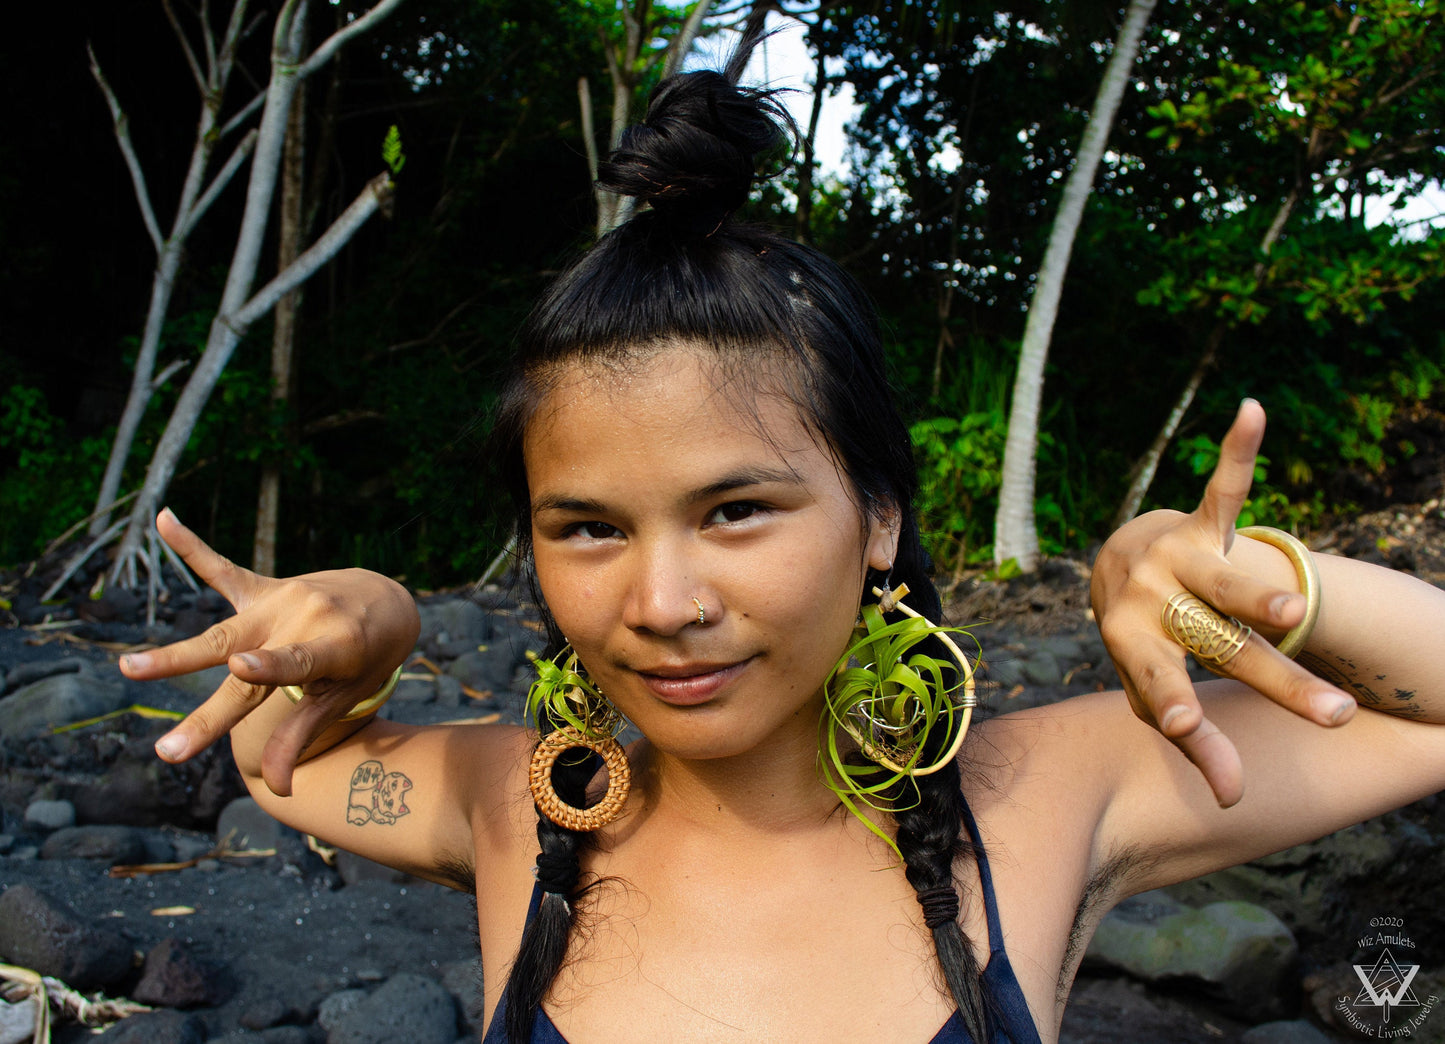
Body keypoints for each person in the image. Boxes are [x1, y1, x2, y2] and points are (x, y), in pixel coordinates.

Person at [120, 42, 1445, 1044]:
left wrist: (1258, 583)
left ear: (879, 516)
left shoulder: (1045, 797)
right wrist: (374, 618)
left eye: (735, 511)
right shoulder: (517, 808)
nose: (662, 600)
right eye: (586, 527)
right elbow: (279, 756)